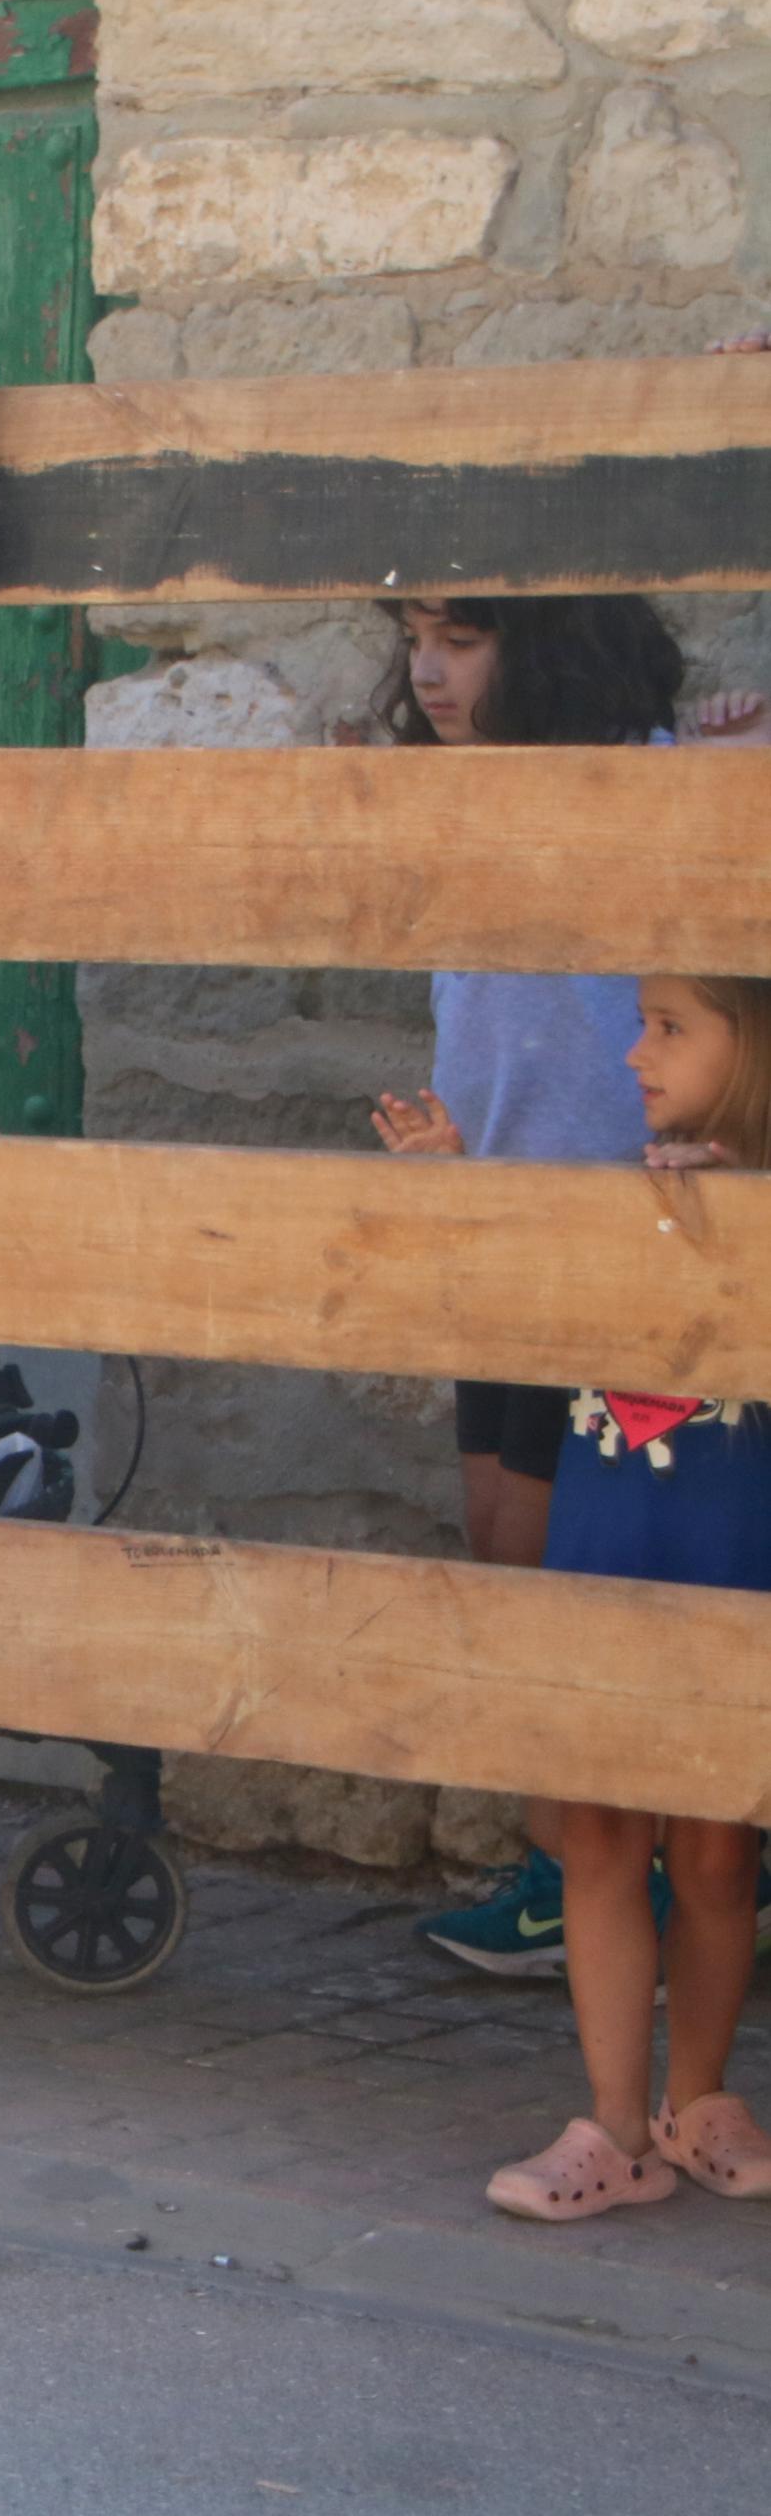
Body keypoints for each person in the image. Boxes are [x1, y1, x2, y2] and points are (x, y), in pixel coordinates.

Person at [371, 596, 766, 1974]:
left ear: (547, 645)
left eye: (463, 635)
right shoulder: (458, 792)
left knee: (570, 1556)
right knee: (495, 1530)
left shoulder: (645, 768)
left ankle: (646, 1864)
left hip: (612, 1229)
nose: (427, 667)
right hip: (492, 1210)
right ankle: (569, 1861)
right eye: (412, 632)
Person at [479, 971, 771, 2219]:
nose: (631, 1048)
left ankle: (696, 2097)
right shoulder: (618, 1186)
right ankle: (609, 2129)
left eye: (667, 1026)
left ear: (749, 1048)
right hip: (608, 1532)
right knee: (598, 1826)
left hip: (725, 1539)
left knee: (714, 1846)